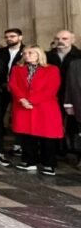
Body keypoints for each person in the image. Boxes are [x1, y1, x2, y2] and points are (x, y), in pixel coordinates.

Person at [10, 46, 62, 175]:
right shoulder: (17, 68)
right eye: (25, 53)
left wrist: (31, 100)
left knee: (47, 137)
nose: (26, 55)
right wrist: (22, 99)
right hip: (23, 106)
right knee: (27, 135)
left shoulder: (52, 69)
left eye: (30, 53)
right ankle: (29, 161)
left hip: (44, 107)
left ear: (39, 54)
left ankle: (48, 164)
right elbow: (13, 85)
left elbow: (52, 89)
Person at [47, 29, 81, 157]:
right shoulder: (47, 56)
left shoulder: (79, 56)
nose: (60, 41)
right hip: (52, 95)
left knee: (74, 124)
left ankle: (75, 150)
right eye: (57, 39)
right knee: (53, 123)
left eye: (64, 38)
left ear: (73, 40)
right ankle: (57, 150)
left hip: (74, 95)